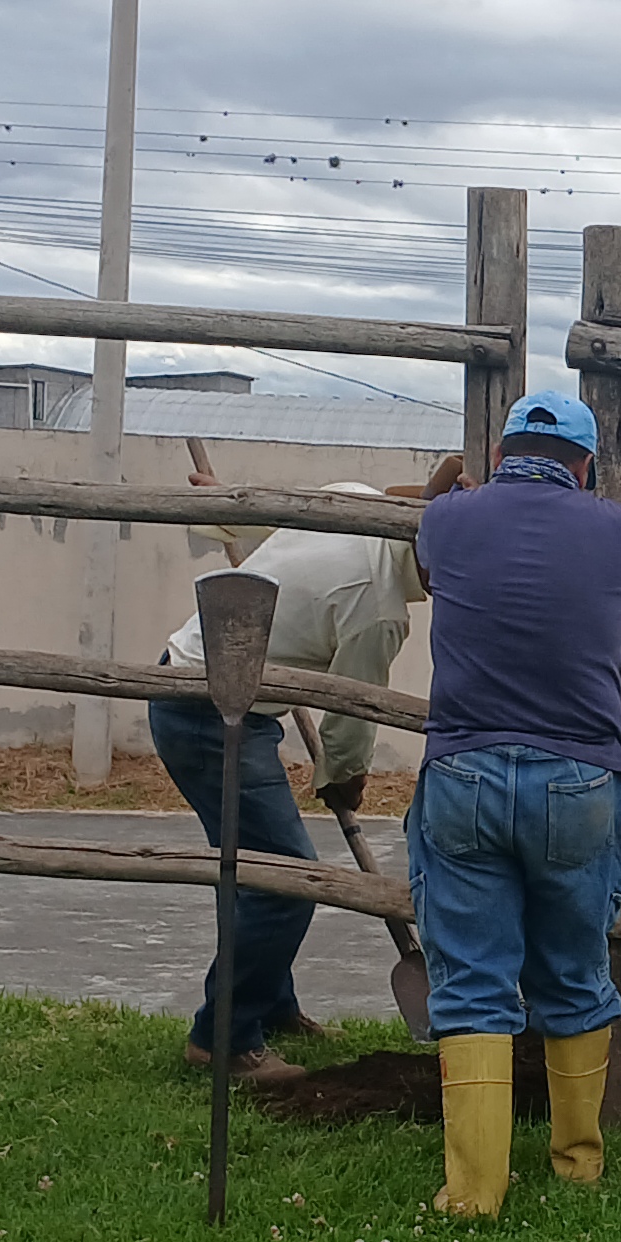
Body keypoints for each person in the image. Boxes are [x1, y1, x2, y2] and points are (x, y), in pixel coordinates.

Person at [406, 386, 621, 1218]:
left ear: (501, 455)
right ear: (587, 465)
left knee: (471, 979)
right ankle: (577, 1163)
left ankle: (474, 1191)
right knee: (574, 970)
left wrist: (449, 487)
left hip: (463, 772)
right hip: (578, 779)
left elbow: (426, 549)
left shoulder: (448, 521)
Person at [153, 452, 464, 1072]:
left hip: (202, 688)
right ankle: (223, 1040)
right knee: (286, 883)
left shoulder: (352, 498)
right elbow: (351, 715)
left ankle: (270, 1003)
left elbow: (282, 534)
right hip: (208, 712)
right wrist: (344, 779)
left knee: (258, 870)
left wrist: (228, 507)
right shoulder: (377, 610)